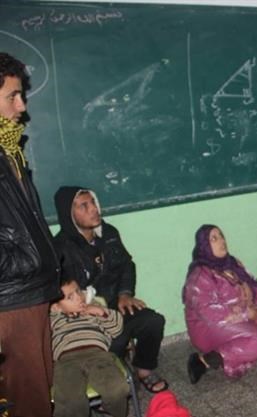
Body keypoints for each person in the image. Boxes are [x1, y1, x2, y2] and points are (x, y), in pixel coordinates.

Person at [53, 186, 169, 394]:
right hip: (84, 314)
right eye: (84, 206)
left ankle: (144, 369)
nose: (93, 209)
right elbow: (64, 295)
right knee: (118, 337)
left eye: (93, 202)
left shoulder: (109, 233)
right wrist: (92, 307)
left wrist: (125, 293)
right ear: (69, 214)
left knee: (153, 321)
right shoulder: (60, 248)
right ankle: (105, 382)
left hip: (115, 303)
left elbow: (127, 265)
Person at [0, 52, 61, 417]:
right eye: (12, 96)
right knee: (30, 398)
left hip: (30, 287)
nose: (22, 106)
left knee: (40, 385)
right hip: (11, 296)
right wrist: (17, 264)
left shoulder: (10, 149)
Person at [182, 224, 257, 382]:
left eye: (222, 236)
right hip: (209, 327)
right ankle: (206, 360)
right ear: (204, 245)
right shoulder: (200, 276)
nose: (222, 241)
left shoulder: (232, 264)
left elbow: (255, 289)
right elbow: (209, 313)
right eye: (214, 239)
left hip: (240, 318)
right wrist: (247, 314)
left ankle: (250, 351)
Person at [51, 277, 127, 417]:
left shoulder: (94, 306)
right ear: (56, 306)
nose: (79, 297)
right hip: (66, 360)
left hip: (97, 354)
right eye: (70, 297)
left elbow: (117, 329)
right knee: (70, 400)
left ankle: (108, 409)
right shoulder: (53, 316)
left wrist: (101, 312)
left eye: (78, 291)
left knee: (117, 388)